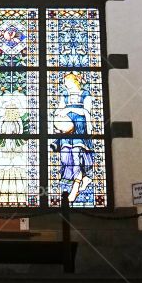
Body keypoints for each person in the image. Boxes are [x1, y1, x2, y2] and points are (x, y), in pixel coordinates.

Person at [51, 71, 95, 203]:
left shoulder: (85, 94)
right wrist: (58, 114)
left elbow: (87, 111)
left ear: (75, 81)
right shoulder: (64, 95)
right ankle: (76, 182)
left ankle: (75, 188)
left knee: (77, 156)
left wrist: (70, 110)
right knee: (65, 156)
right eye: (65, 82)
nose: (65, 84)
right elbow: (59, 109)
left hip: (80, 128)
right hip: (67, 129)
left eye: (67, 81)